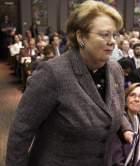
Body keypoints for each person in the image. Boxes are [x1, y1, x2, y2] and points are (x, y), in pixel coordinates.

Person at [6, 1, 132, 166]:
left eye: (114, 35)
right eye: (104, 35)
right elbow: (21, 132)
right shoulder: (52, 73)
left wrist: (125, 127)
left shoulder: (115, 69)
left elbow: (111, 106)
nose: (112, 41)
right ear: (81, 37)